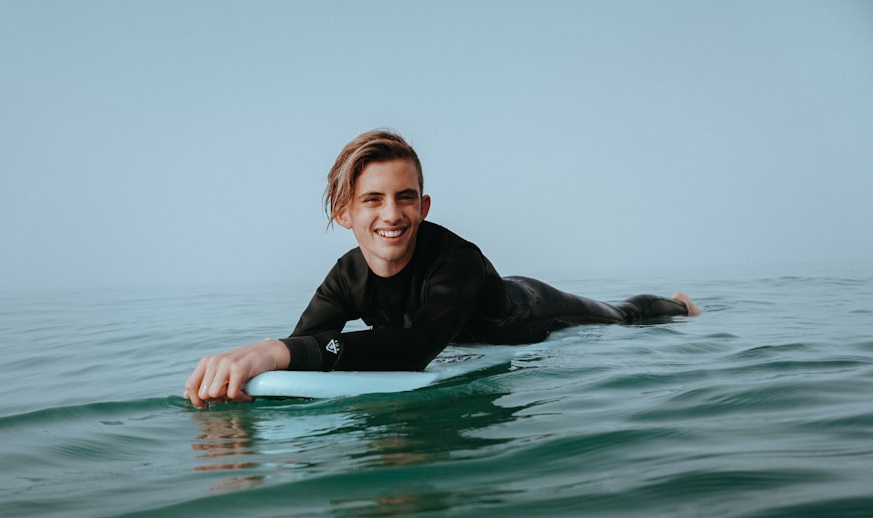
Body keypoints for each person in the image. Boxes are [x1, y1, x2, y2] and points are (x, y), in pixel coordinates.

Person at [184, 130, 700, 406]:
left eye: (405, 198)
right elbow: (312, 347)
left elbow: (415, 348)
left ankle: (679, 305)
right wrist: (245, 384)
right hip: (463, 326)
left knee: (621, 315)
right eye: (372, 201)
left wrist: (273, 351)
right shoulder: (346, 275)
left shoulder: (458, 260)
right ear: (344, 213)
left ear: (424, 207)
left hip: (531, 311)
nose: (392, 215)